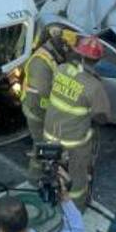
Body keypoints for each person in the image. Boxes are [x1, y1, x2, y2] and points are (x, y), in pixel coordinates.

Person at [42, 36, 111, 210]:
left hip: (49, 134)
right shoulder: (94, 86)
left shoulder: (61, 69)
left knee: (53, 170)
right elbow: (102, 117)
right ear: (97, 60)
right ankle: (76, 209)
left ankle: (53, 197)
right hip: (74, 143)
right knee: (77, 178)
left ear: (79, 54)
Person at [22, 26, 77, 157]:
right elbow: (44, 90)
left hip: (43, 106)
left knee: (44, 136)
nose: (69, 53)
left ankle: (43, 155)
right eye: (69, 50)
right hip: (36, 106)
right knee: (41, 136)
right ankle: (43, 162)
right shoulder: (40, 62)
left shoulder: (51, 54)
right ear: (63, 46)